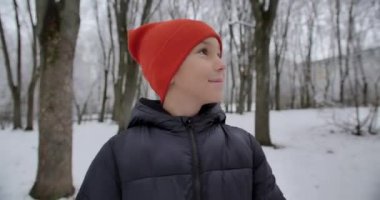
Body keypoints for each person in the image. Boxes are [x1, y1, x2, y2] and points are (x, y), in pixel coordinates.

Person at [77, 19, 285, 200]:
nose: (222, 64)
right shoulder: (118, 154)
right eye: (204, 52)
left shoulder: (245, 147)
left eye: (219, 54)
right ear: (170, 71)